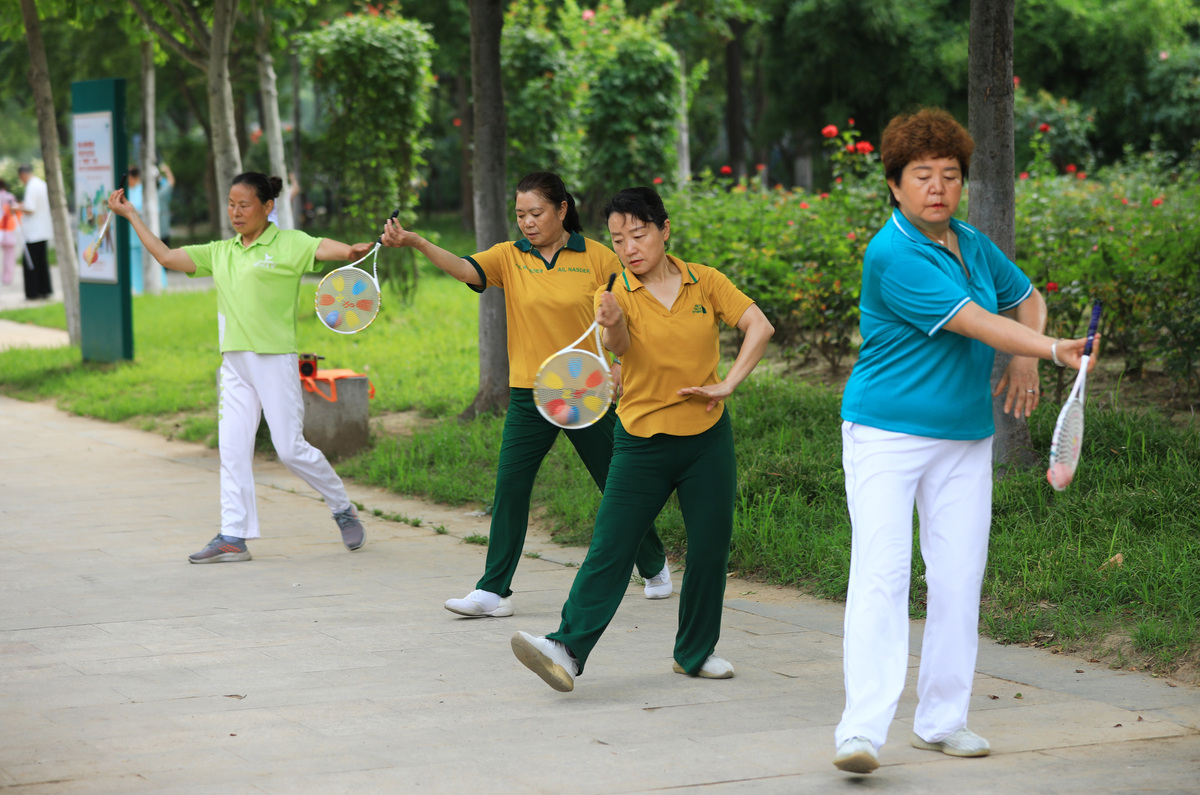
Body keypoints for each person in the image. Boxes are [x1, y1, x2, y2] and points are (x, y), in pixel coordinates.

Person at [830, 108, 1100, 775]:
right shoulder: (891, 250)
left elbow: (1026, 298)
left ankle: (942, 719)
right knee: (883, 576)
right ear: (894, 184)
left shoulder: (972, 243)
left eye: (950, 175)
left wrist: (1029, 357)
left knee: (957, 580)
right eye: (922, 175)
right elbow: (978, 322)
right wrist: (1054, 348)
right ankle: (860, 732)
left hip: (963, 439)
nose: (938, 188)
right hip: (886, 434)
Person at [510, 186, 775, 691]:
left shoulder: (706, 282)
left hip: (706, 440)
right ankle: (565, 649)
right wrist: (610, 327)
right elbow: (620, 345)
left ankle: (695, 653)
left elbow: (758, 326)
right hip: (640, 441)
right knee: (611, 546)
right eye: (618, 238)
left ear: (663, 230)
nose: (629, 247)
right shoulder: (613, 293)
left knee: (709, 549)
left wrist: (729, 382)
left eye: (638, 234)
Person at [381, 172, 673, 617]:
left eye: (536, 213)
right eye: (520, 215)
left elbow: (629, 313)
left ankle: (653, 563)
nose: (528, 222)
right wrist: (418, 243)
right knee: (511, 486)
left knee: (616, 482)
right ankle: (493, 591)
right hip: (529, 393)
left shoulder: (598, 257)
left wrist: (618, 365)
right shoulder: (509, 257)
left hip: (584, 390)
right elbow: (465, 268)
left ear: (561, 209)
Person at [106, 172, 372, 563]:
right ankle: (234, 535)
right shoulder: (220, 251)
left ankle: (341, 507)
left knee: (290, 450)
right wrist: (131, 215)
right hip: (234, 365)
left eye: (244, 204)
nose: (236, 212)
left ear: (268, 207)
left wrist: (351, 251)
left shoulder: (288, 243)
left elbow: (323, 248)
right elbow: (166, 256)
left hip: (274, 361)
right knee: (232, 450)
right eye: (231, 204)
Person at [16, 165, 52, 299]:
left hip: (33, 232)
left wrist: (17, 208)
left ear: (23, 175)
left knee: (31, 263)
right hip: (43, 229)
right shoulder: (42, 184)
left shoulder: (31, 187)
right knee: (42, 262)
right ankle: (45, 289)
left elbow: (30, 208)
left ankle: (33, 292)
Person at [0, 180, 18, 286]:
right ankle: (7, 278)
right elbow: (15, 211)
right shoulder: (9, 197)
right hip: (7, 229)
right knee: (9, 256)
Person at [157, 163, 176, 248]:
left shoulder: (145, 195)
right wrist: (167, 170)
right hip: (163, 231)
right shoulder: (161, 193)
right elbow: (171, 181)